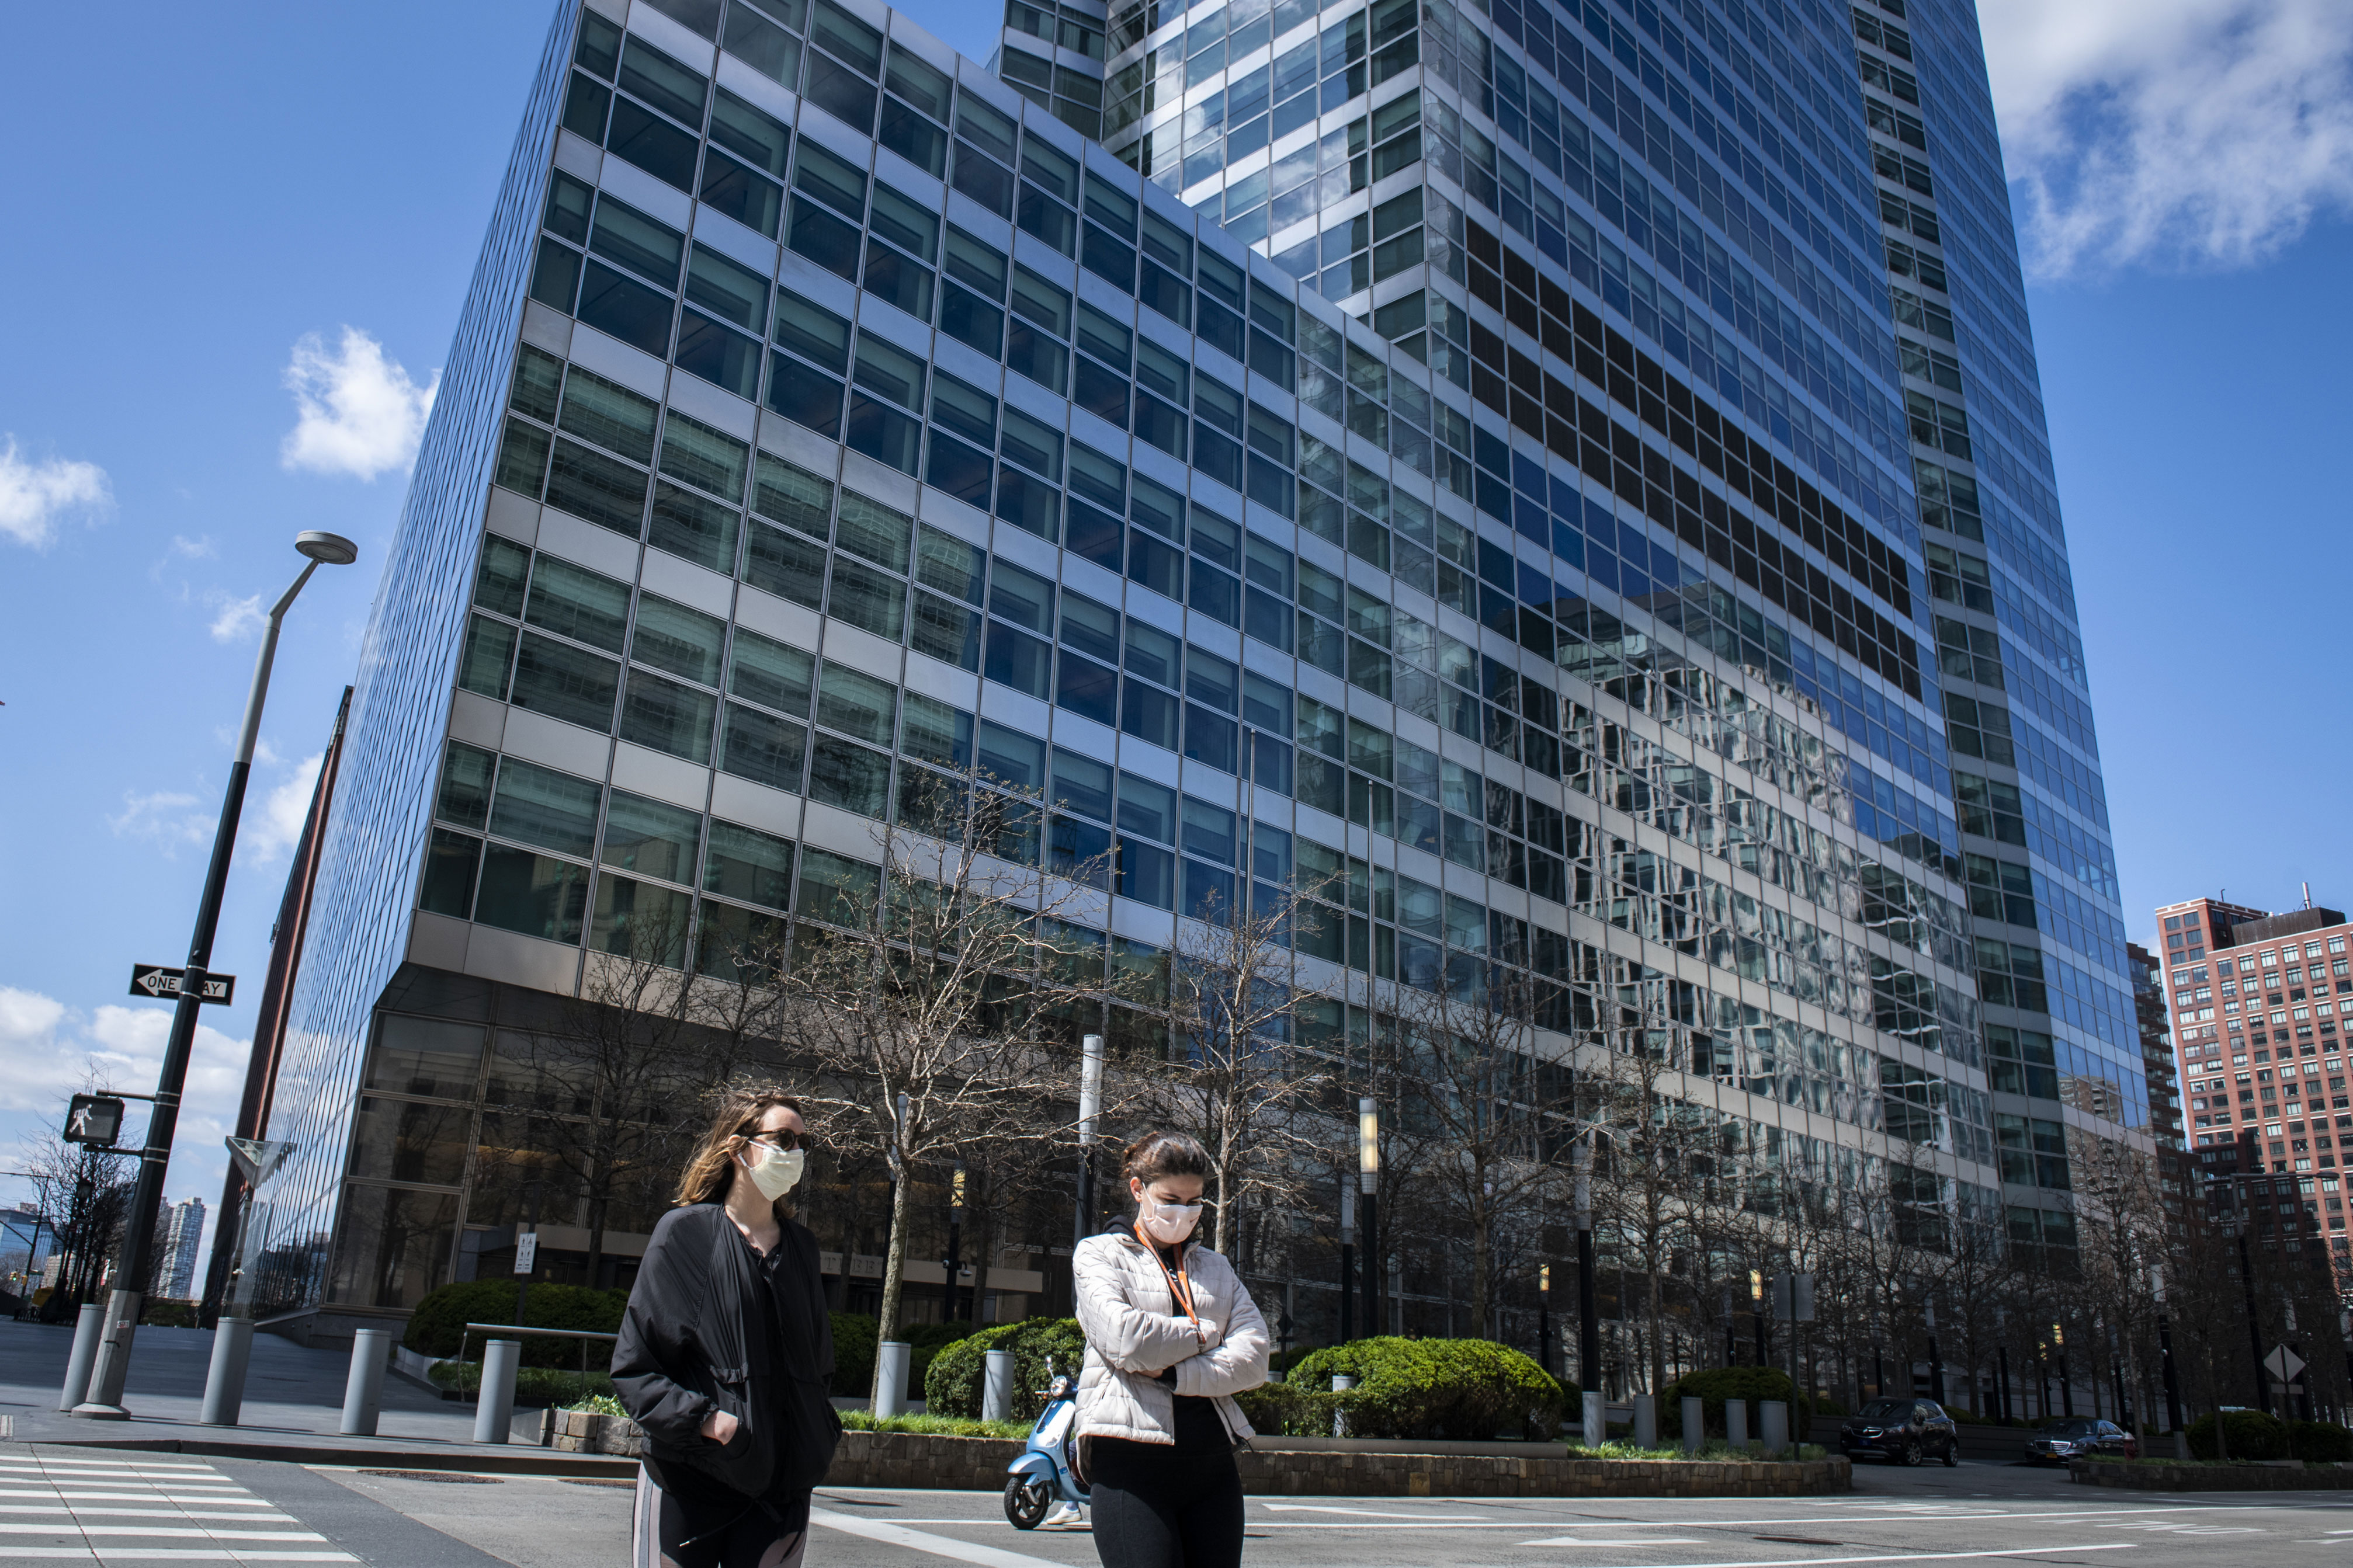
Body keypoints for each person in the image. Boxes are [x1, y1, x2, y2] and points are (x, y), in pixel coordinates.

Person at [614, 1089, 841, 1568]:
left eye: (802, 1142)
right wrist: (712, 1423)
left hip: (781, 1493)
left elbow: (819, 1366)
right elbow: (636, 1367)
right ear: (739, 1148)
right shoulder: (685, 1234)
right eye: (783, 1138)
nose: (794, 1153)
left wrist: (819, 1431)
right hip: (690, 1481)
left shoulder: (802, 1248)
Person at [1071, 1131, 1271, 1568]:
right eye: (1171, 1199)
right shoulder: (1098, 1255)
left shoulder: (1214, 1267)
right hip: (1130, 1464)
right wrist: (1205, 1334)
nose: (1184, 1212)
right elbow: (1126, 1339)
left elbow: (1256, 1357)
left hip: (1211, 1466)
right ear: (1138, 1189)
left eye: (1195, 1201)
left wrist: (1175, 1373)